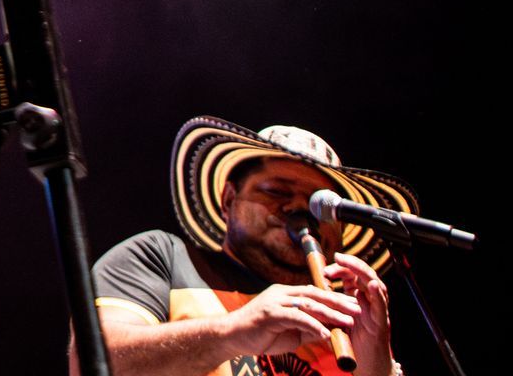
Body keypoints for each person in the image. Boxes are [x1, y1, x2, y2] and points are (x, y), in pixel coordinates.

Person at [90, 116, 420, 376]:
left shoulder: (348, 324)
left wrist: (377, 369)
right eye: (276, 191)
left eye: (320, 206)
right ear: (228, 199)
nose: (299, 208)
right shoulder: (162, 257)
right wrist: (235, 332)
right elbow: (93, 364)